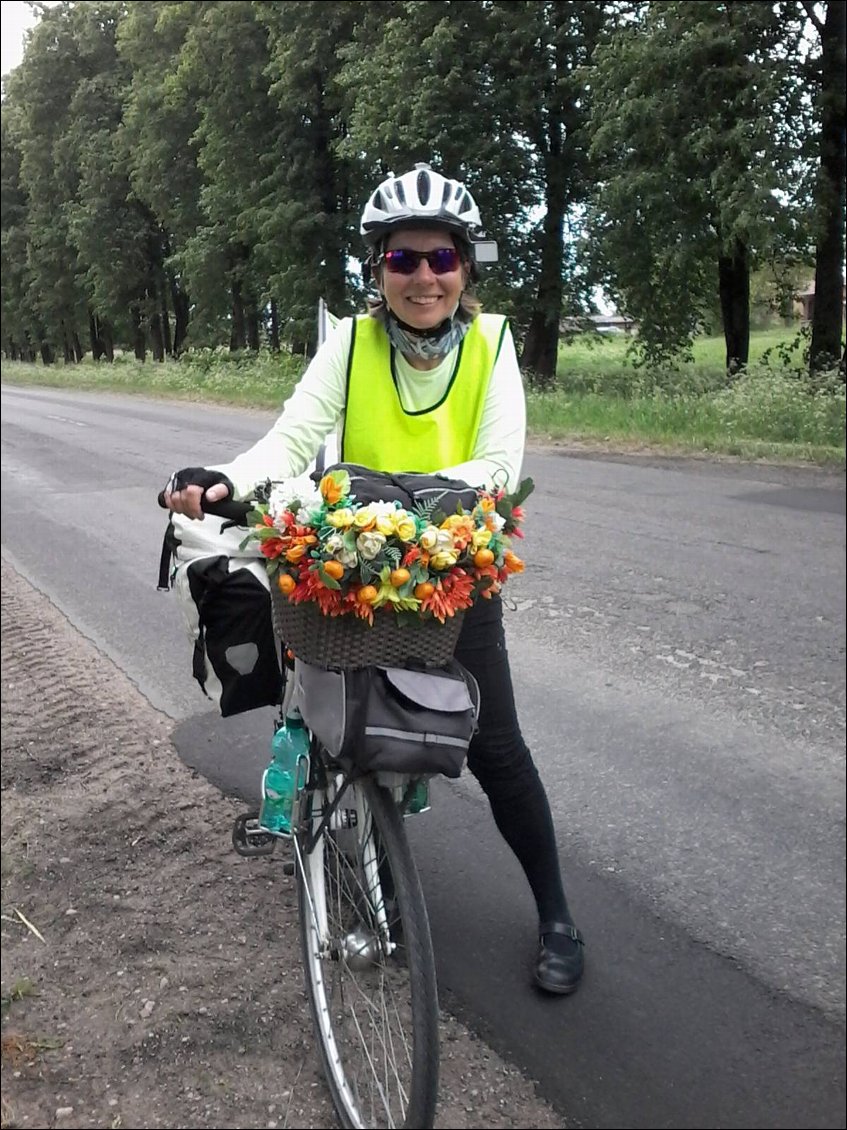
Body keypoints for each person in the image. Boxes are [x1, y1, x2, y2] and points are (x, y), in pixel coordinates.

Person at [162, 163, 585, 995]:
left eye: (439, 259)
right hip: (352, 571)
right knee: (351, 732)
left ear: (464, 267)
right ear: (378, 269)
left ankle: (558, 914)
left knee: (495, 748)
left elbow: (496, 465)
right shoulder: (348, 344)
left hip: (449, 572)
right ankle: (375, 870)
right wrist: (223, 479)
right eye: (402, 260)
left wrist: (370, 498)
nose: (422, 278)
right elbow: (289, 442)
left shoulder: (494, 344)